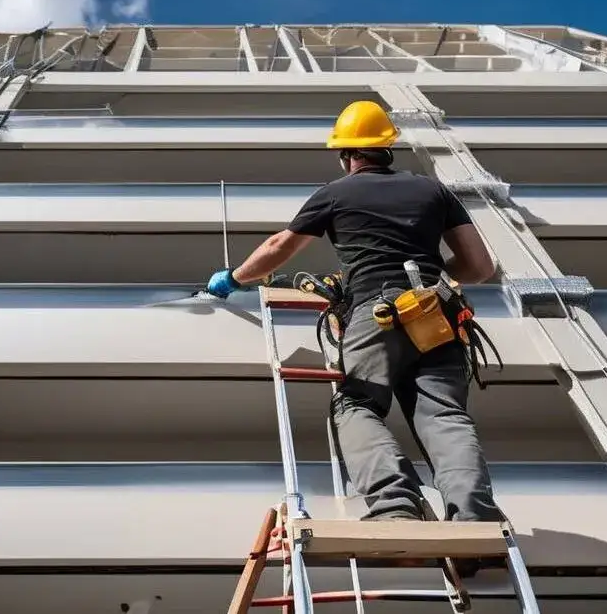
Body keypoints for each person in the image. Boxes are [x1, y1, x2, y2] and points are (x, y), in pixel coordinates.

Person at [203, 100, 501, 527]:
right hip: (436, 315)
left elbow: (278, 248)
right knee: (445, 415)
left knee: (357, 404)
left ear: (347, 155)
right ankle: (474, 518)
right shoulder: (433, 190)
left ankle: (396, 509)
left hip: (376, 313)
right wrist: (430, 280)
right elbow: (480, 267)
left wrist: (234, 278)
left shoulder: (337, 193)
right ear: (387, 148)